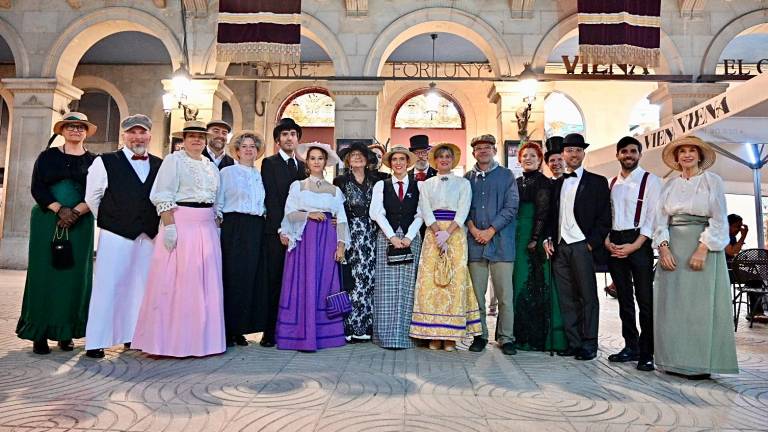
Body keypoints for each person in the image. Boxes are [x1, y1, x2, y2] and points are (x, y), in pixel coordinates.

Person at [131, 120, 225, 357]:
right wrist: (170, 226)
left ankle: (203, 342)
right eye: (192, 136)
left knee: (205, 285)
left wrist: (217, 220)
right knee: (178, 283)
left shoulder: (210, 166)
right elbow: (163, 193)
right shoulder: (174, 161)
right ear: (183, 139)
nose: (197, 140)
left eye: (201, 137)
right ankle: (169, 343)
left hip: (207, 226)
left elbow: (217, 198)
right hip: (181, 223)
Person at [653, 136, 738, 379]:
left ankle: (699, 363)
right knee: (672, 305)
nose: (687, 155)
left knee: (699, 307)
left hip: (703, 247)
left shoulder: (712, 181)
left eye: (692, 151)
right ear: (677, 157)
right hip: (673, 249)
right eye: (682, 152)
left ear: (700, 156)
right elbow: (659, 220)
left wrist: (703, 248)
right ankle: (672, 360)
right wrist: (664, 248)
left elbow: (719, 218)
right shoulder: (668, 185)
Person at [16, 112, 97, 355]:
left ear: (86, 131)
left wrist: (76, 213)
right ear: (62, 130)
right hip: (48, 220)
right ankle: (39, 333)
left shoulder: (95, 161)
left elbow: (97, 191)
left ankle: (66, 332)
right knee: (44, 274)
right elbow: (37, 187)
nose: (76, 130)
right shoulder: (47, 157)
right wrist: (59, 210)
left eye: (80, 127)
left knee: (75, 277)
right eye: (70, 126)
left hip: (80, 223)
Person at [83, 114, 161, 359]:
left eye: (142, 132)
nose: (137, 137)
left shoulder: (160, 164)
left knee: (141, 287)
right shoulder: (104, 162)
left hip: (148, 236)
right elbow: (92, 198)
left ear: (149, 135)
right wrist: (111, 221)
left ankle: (132, 336)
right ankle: (96, 341)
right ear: (123, 135)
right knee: (108, 286)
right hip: (116, 234)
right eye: (132, 132)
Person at [544, 133, 611, 361]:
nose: (573, 154)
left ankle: (589, 343)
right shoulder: (558, 183)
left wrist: (592, 244)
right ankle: (573, 342)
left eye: (577, 150)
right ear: (563, 154)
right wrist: (548, 238)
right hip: (560, 246)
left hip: (583, 246)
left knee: (588, 296)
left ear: (583, 154)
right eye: (569, 150)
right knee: (566, 297)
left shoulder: (597, 182)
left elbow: (605, 217)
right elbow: (552, 216)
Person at [276, 142, 349, 351]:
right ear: (307, 162)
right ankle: (298, 335)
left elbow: (341, 219)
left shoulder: (335, 190)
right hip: (304, 239)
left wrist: (341, 245)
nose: (317, 162)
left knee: (325, 283)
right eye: (313, 158)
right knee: (303, 283)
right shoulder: (298, 186)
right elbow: (289, 213)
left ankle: (325, 335)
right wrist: (308, 214)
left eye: (320, 158)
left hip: (327, 239)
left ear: (325, 162)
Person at [410, 142, 481, 351]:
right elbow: (424, 208)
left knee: (453, 281)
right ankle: (433, 334)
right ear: (435, 160)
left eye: (448, 157)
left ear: (453, 160)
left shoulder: (463, 184)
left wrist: (447, 233)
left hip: (455, 233)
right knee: (431, 282)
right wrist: (435, 232)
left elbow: (463, 209)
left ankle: (450, 336)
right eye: (440, 157)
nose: (444, 160)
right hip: (433, 234)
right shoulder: (427, 184)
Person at [604, 136, 662, 372]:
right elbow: (606, 215)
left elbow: (653, 216)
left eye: (633, 152)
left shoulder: (651, 181)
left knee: (645, 300)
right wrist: (607, 240)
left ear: (639, 154)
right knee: (624, 299)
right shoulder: (611, 183)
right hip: (615, 241)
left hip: (639, 242)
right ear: (617, 155)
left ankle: (647, 352)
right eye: (624, 152)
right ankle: (631, 346)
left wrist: (636, 244)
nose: (628, 155)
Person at [464, 135, 519, 355]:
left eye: (487, 147)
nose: (483, 151)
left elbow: (511, 206)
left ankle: (506, 338)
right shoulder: (467, 178)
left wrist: (491, 230)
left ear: (494, 150)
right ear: (473, 153)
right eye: (479, 148)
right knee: (477, 294)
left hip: (501, 244)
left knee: (505, 295)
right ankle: (480, 335)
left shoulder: (506, 176)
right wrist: (475, 230)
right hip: (475, 244)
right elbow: (462, 207)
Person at [512, 142, 567, 353]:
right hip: (515, 235)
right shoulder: (516, 182)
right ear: (519, 159)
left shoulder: (544, 183)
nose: (528, 158)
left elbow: (543, 213)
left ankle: (536, 337)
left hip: (533, 236)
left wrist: (535, 238)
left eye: (533, 155)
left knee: (535, 283)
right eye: (524, 155)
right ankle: (516, 333)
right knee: (516, 281)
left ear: (539, 159)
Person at [216, 131, 268, 347]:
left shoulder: (260, 175)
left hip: (255, 227)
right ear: (236, 151)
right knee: (232, 277)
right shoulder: (227, 173)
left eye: (252, 147)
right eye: (244, 146)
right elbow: (218, 202)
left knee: (250, 278)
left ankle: (241, 329)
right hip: (233, 226)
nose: (248, 150)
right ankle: (227, 329)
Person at [369, 145, 423, 349]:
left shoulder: (419, 186)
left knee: (408, 288)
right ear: (390, 163)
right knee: (386, 288)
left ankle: (407, 337)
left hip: (411, 238)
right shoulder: (381, 186)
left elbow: (421, 214)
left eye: (402, 159)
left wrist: (408, 237)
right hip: (387, 238)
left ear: (408, 163)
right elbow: (376, 213)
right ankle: (386, 337)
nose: (398, 163)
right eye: (394, 159)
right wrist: (392, 237)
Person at [260, 118, 307, 347]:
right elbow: (273, 200)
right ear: (278, 140)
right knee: (275, 281)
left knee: (295, 282)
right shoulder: (269, 163)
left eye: (293, 134)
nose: (289, 138)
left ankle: (293, 330)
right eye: (285, 134)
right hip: (277, 232)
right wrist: (282, 229)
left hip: (301, 233)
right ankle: (270, 333)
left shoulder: (303, 166)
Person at [334, 142, 378, 342]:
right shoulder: (340, 181)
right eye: (353, 155)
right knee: (351, 280)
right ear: (348, 160)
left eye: (361, 155)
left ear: (368, 160)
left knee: (369, 280)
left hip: (372, 234)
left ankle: (366, 327)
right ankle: (349, 327)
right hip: (350, 234)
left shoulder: (377, 180)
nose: (357, 158)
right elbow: (335, 207)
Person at [725, 214, 766, 321]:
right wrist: (743, 236)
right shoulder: (723, 235)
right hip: (725, 270)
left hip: (731, 269)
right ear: (727, 225)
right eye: (736, 226)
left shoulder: (732, 237)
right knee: (754, 278)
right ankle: (755, 311)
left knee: (755, 278)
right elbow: (732, 251)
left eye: (740, 227)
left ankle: (756, 312)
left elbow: (733, 254)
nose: (739, 230)